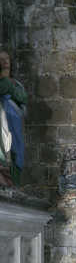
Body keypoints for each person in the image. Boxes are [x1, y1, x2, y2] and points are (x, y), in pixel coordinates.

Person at [0, 51, 27, 184]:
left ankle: (14, 182)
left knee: (16, 151)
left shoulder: (16, 84)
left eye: (7, 59)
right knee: (4, 150)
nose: (5, 61)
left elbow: (23, 98)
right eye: (1, 59)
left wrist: (10, 88)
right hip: (2, 122)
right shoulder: (5, 82)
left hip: (15, 122)